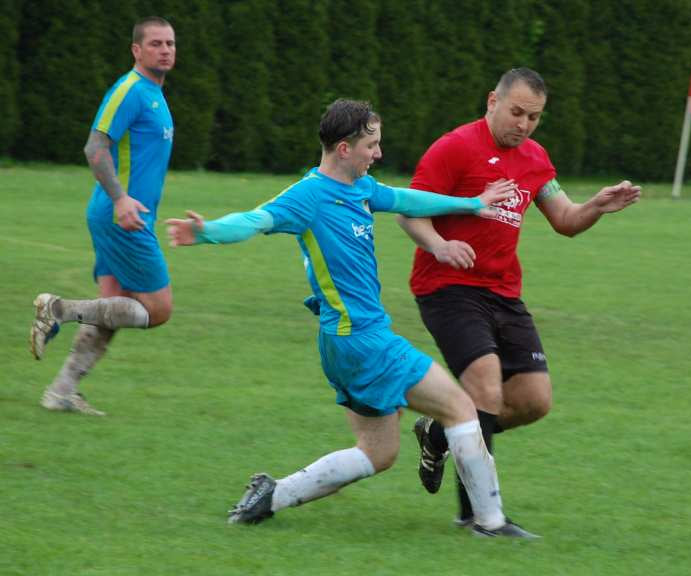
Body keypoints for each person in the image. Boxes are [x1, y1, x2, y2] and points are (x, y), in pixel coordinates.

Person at [165, 99, 536, 538]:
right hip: (362, 340)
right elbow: (256, 220)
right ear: (344, 149)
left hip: (343, 342)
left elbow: (406, 199)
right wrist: (208, 233)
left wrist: (471, 204)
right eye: (371, 145)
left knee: (378, 453)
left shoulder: (362, 188)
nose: (377, 154)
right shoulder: (308, 196)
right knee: (460, 408)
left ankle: (272, 495)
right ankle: (490, 523)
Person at [397, 68, 641, 531]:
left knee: (533, 400)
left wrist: (597, 206)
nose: (524, 124)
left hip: (504, 292)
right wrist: (438, 245)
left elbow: (565, 219)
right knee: (485, 384)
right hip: (448, 286)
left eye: (534, 117)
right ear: (492, 101)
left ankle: (442, 431)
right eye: (517, 112)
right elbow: (409, 211)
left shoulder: (535, 158)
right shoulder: (454, 147)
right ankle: (479, 518)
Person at [29, 17, 177, 416]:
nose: (165, 50)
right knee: (158, 309)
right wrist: (121, 199)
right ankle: (57, 309)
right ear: (136, 50)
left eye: (170, 44)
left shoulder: (155, 93)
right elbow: (95, 147)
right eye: (156, 44)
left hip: (122, 215)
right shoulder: (129, 90)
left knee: (112, 309)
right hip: (121, 216)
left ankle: (61, 392)